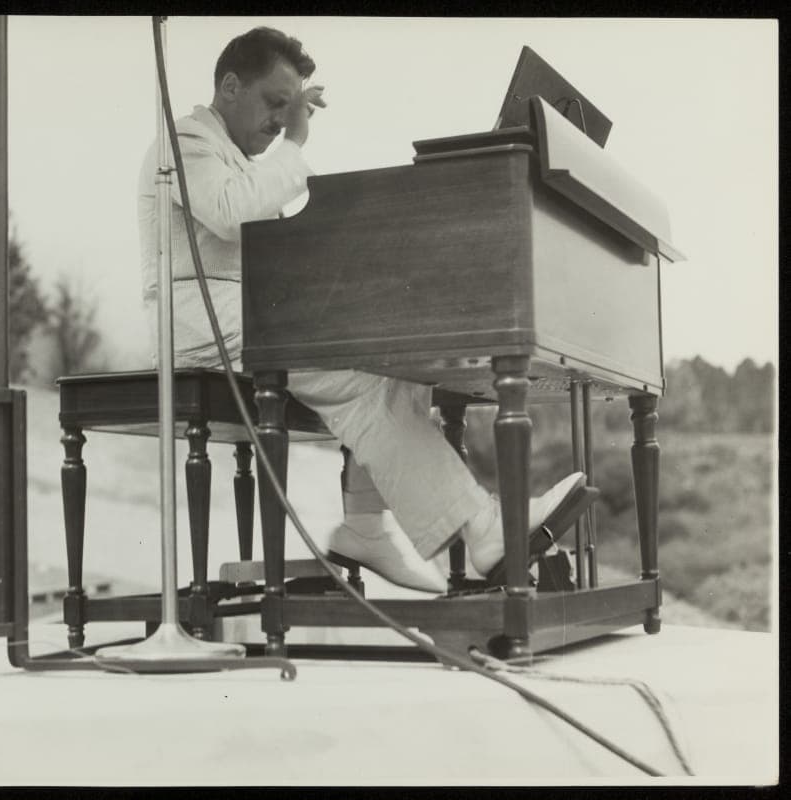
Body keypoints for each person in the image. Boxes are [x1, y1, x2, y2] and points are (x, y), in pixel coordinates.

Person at [137, 26, 583, 592]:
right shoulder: (187, 142)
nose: (279, 121)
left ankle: (368, 526)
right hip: (197, 323)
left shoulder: (235, 151)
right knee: (354, 370)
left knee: (385, 357)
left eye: (289, 109)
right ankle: (480, 527)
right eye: (274, 103)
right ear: (229, 85)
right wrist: (294, 145)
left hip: (243, 315)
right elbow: (231, 212)